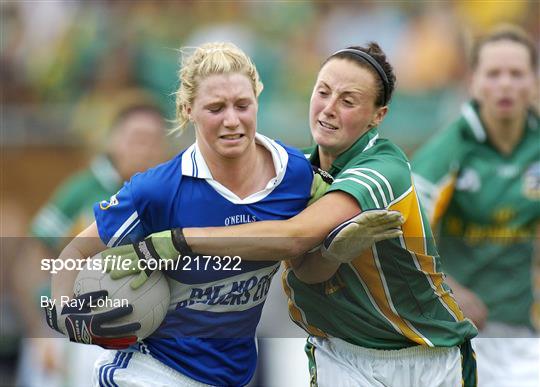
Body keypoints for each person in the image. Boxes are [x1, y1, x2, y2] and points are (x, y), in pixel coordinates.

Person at [103, 42, 479, 386]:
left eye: (348, 101)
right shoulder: (295, 175)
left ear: (377, 116)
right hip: (342, 356)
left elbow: (293, 236)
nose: (329, 108)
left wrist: (179, 241)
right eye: (323, 92)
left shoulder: (384, 168)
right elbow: (307, 268)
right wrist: (331, 254)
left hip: (427, 352)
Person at [44, 42, 401, 386]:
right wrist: (63, 314)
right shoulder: (157, 189)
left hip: (232, 374)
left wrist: (333, 253)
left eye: (242, 105)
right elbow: (73, 253)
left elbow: (306, 270)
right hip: (147, 370)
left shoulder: (293, 176)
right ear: (188, 110)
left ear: (257, 100)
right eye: (216, 108)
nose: (232, 120)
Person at [411, 24, 539, 387]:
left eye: (516, 74)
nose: (505, 84)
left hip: (527, 332)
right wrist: (448, 288)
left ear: (533, 81)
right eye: (494, 73)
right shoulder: (450, 149)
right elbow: (399, 229)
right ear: (473, 81)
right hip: (462, 333)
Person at [18, 103, 167, 387]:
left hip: (136, 339)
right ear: (113, 140)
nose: (145, 149)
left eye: (154, 141)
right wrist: (40, 331)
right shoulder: (82, 190)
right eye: (137, 138)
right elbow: (32, 258)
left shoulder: (165, 200)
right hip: (70, 336)